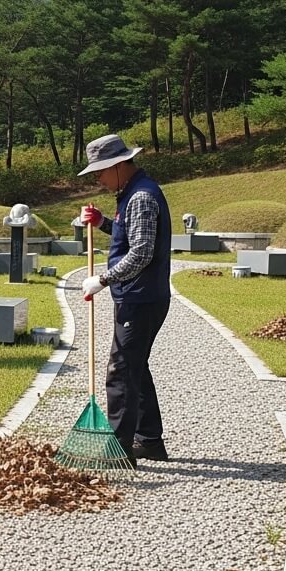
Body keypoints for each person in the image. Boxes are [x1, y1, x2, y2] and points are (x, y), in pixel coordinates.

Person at [77, 134, 172, 464]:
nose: (98, 180)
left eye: (100, 172)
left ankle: (119, 450)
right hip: (139, 296)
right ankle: (149, 441)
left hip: (141, 298)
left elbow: (142, 252)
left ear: (118, 165)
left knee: (120, 371)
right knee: (136, 367)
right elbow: (130, 236)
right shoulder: (131, 194)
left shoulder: (142, 197)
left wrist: (102, 280)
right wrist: (103, 222)